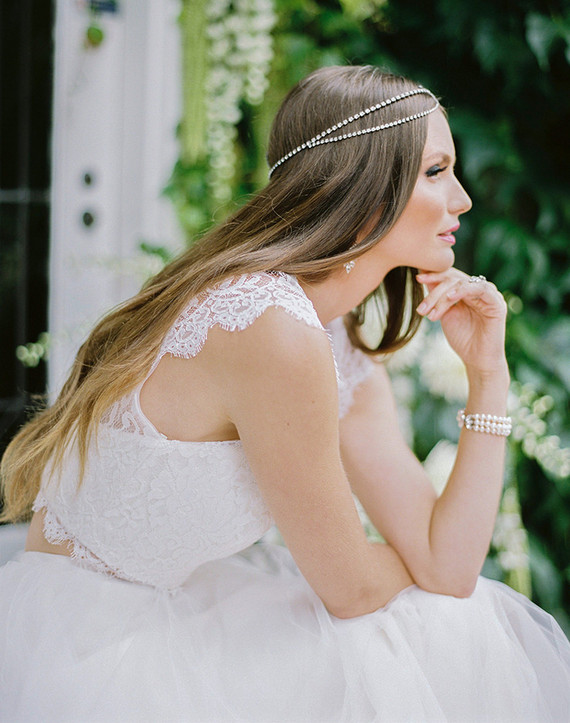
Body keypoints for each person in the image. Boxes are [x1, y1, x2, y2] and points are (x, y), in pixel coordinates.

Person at [0, 65, 568, 723]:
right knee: (433, 626)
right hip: (90, 646)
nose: (463, 198)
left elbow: (450, 566)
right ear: (366, 191)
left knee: (451, 615)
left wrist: (487, 374)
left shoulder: (339, 343)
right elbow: (353, 586)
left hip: (181, 610)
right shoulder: (272, 327)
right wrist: (428, 567)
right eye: (436, 172)